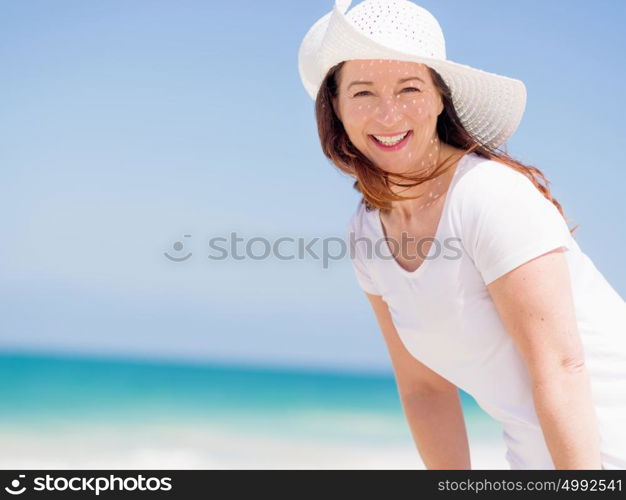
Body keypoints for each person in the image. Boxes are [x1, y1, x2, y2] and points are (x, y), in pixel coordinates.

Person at [298, 0, 626, 469]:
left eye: (409, 88)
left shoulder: (488, 195)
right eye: (363, 93)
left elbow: (561, 368)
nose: (388, 114)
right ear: (336, 108)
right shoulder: (367, 231)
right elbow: (424, 388)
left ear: (438, 98)